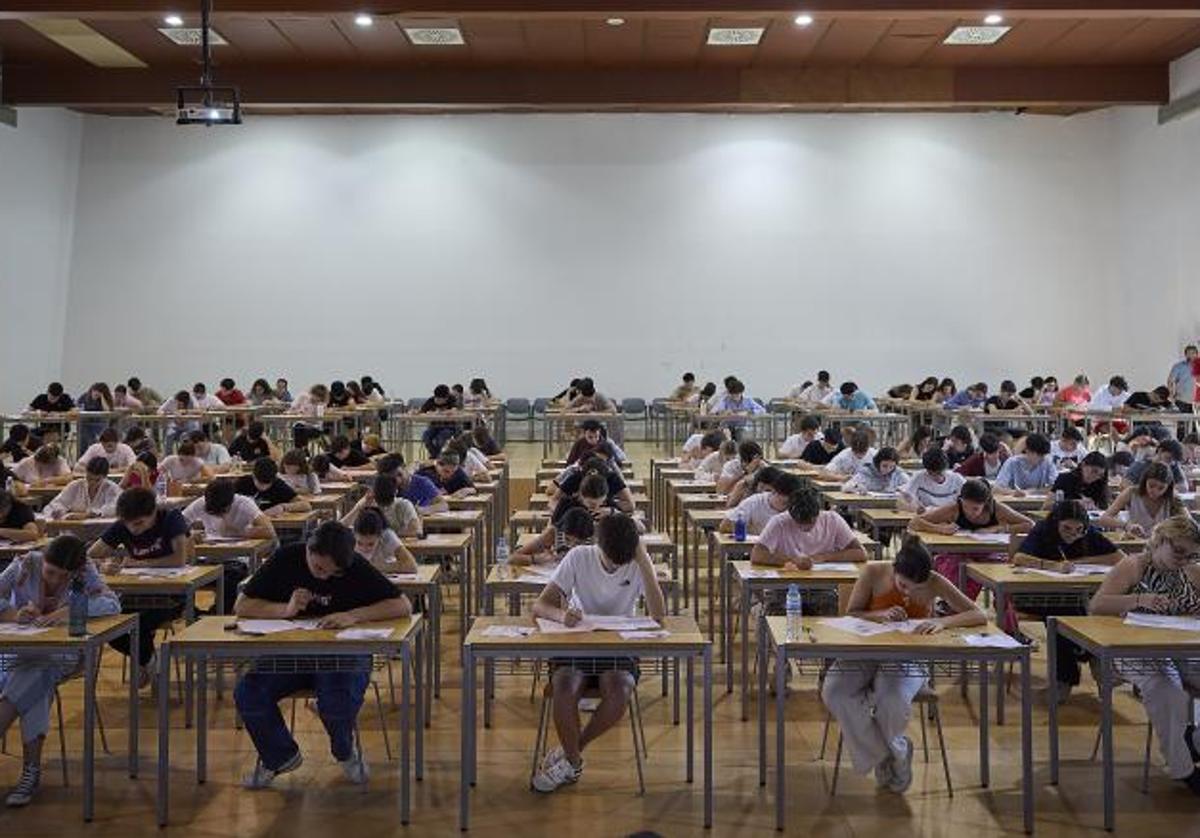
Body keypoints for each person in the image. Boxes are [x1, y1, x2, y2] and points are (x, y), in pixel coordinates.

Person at [233, 521, 411, 789]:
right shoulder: (285, 558)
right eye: (318, 568)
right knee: (249, 691)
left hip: (343, 651)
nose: (324, 577)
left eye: (333, 573)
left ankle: (344, 751)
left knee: (336, 701)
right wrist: (285, 610)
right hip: (290, 651)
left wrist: (353, 615)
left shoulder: (353, 565)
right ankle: (280, 757)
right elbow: (242, 605)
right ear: (308, 549)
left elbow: (402, 604)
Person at [822, 537, 985, 793]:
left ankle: (890, 751)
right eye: (903, 585)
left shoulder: (934, 581)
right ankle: (890, 753)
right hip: (863, 652)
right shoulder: (874, 571)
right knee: (834, 691)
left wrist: (943, 622)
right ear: (895, 569)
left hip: (906, 655)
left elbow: (978, 614)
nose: (908, 593)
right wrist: (878, 615)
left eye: (915, 589)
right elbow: (851, 612)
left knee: (892, 698)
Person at [529, 514, 665, 793]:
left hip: (618, 646)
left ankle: (571, 755)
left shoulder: (636, 561)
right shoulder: (579, 556)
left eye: (622, 560)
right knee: (564, 685)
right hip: (577, 641)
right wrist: (561, 614)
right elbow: (540, 606)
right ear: (598, 544)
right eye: (610, 559)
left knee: (621, 688)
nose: (616, 565)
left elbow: (659, 616)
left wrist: (643, 559)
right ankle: (574, 760)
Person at [0, 535, 121, 807]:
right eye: (50, 572)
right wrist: (12, 614)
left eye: (62, 576)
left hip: (62, 655)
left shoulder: (84, 570)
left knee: (37, 672)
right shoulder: (25, 563)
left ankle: (29, 769)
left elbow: (112, 604)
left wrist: (68, 611)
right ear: (43, 559)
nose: (55, 580)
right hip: (18, 652)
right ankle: (31, 772)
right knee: (35, 681)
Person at [1088, 515, 1200, 794]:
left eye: (1192, 555)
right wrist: (1139, 600)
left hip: (1179, 646)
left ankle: (1194, 740)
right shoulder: (1133, 565)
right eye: (1179, 552)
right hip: (1130, 648)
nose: (1184, 559)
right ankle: (1182, 768)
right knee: (1167, 691)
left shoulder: (1192, 572)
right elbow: (1097, 605)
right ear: (1160, 541)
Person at [1012, 500, 1124, 699]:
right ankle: (1094, 658)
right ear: (1056, 522)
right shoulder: (1043, 530)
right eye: (1066, 528)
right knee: (1066, 613)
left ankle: (1065, 680)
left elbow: (1119, 558)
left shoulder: (1086, 532)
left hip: (1071, 597)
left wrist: (1079, 562)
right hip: (1032, 595)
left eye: (1078, 529)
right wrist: (1052, 566)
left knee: (1067, 612)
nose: (1073, 534)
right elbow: (1019, 558)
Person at [88, 487, 192, 685]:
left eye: (139, 523)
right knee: (109, 626)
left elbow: (179, 559)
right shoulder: (125, 524)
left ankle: (147, 663)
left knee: (140, 624)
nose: (133, 529)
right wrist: (104, 565)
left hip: (171, 595)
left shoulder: (170, 518)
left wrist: (142, 563)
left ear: (153, 512)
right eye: (128, 524)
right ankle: (150, 661)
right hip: (134, 594)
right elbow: (91, 555)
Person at [908, 478, 1033, 600]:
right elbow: (915, 522)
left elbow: (1029, 525)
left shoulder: (997, 509)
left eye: (975, 508)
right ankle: (956, 607)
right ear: (961, 500)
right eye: (966, 506)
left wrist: (999, 528)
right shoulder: (954, 509)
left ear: (985, 503)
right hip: (958, 552)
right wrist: (940, 529)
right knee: (956, 566)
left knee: (1005, 577)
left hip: (989, 554)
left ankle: (1002, 609)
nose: (969, 512)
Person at [750, 485, 868, 569]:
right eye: (799, 523)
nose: (804, 528)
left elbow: (861, 554)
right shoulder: (779, 522)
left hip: (823, 586)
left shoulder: (832, 520)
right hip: (785, 587)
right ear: (790, 513)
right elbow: (757, 555)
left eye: (810, 522)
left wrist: (825, 557)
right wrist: (793, 560)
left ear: (818, 512)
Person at [1097, 461, 1186, 537]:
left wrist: (1171, 528)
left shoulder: (1172, 498)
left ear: (1168, 488)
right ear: (1145, 481)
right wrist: (1127, 526)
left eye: (1161, 488)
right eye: (1151, 485)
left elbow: (1188, 524)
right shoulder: (1131, 493)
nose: (1155, 491)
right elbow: (1104, 519)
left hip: (1163, 545)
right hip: (1135, 543)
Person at [719, 470, 800, 535]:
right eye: (784, 503)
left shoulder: (798, 505)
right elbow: (724, 526)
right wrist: (755, 532)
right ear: (774, 492)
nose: (787, 508)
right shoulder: (754, 502)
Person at [342, 475, 422, 539]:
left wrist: (385, 536)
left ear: (396, 492)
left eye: (387, 503)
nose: (384, 508)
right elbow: (342, 526)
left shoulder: (404, 504)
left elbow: (415, 531)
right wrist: (359, 508)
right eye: (380, 503)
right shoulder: (368, 503)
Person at [514, 506, 595, 566]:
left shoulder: (594, 538)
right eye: (567, 539)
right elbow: (514, 557)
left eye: (578, 543)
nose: (572, 546)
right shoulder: (553, 533)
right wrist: (535, 559)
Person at [44, 458, 120, 519]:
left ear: (105, 477)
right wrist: (59, 512)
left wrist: (88, 515)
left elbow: (113, 508)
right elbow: (54, 505)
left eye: (97, 480)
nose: (92, 483)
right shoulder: (75, 486)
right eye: (89, 478)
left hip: (100, 532)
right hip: (73, 531)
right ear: (86, 473)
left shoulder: (112, 489)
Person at [235, 458, 312, 518]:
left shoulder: (278, 485)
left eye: (267, 484)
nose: (263, 488)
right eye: (260, 483)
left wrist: (283, 507)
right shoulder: (243, 483)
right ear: (253, 476)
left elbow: (306, 505)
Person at [350, 508, 417, 573]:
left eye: (370, 544)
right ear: (354, 534)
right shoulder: (348, 538)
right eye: (359, 543)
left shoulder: (388, 536)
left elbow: (412, 566)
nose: (364, 549)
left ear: (380, 536)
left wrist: (374, 566)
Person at [898, 448, 965, 513]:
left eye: (940, 473)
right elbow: (904, 498)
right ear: (927, 470)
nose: (937, 477)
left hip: (950, 516)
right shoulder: (919, 477)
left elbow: (969, 500)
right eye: (931, 474)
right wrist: (915, 507)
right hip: (926, 516)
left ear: (946, 468)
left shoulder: (956, 479)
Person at [1123, 438, 1190, 492]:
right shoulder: (1140, 465)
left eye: (1173, 461)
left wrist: (1162, 490)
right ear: (1160, 451)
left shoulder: (1173, 466)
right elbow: (1125, 484)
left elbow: (1184, 487)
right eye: (1168, 458)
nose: (1169, 463)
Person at [419, 385, 459, 457]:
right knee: (426, 436)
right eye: (436, 398)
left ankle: (440, 456)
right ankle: (436, 455)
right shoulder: (431, 400)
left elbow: (454, 411)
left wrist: (439, 413)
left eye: (440, 399)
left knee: (441, 437)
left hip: (449, 427)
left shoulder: (452, 399)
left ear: (446, 398)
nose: (437, 401)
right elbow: (422, 411)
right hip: (434, 426)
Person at [1167, 345, 1198, 413]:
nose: (1191, 355)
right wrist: (1171, 393)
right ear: (1185, 355)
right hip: (1181, 400)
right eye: (1188, 353)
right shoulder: (1178, 366)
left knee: (1195, 422)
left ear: (1197, 354)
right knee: (1182, 422)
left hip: (1197, 402)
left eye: (1193, 353)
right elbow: (1170, 381)